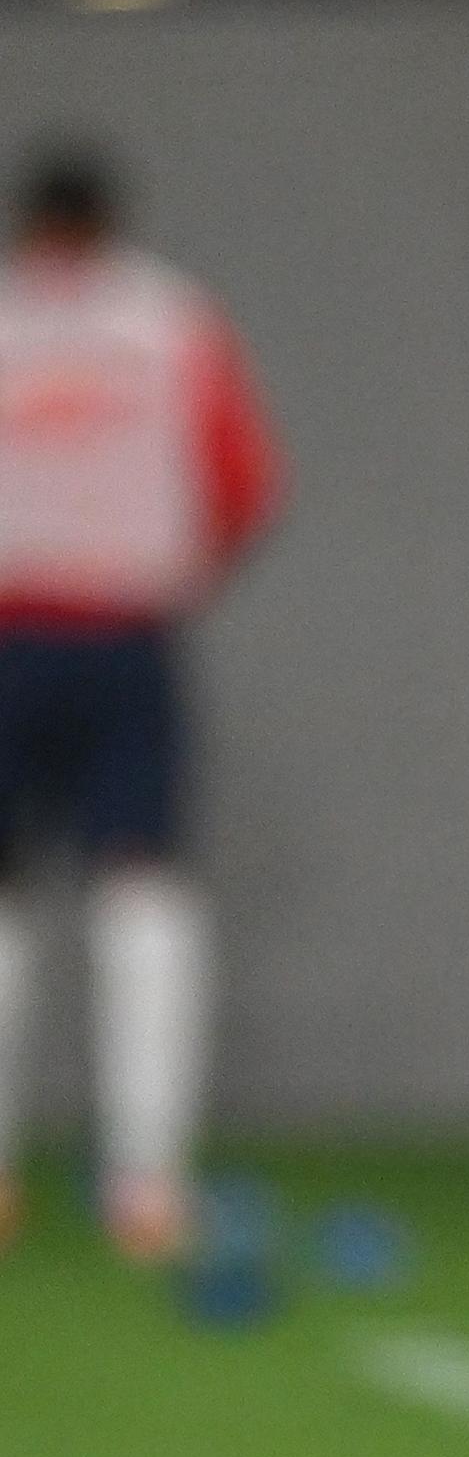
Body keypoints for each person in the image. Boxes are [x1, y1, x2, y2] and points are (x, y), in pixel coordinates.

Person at [0, 144, 284, 1264]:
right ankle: (148, 1185)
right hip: (126, 636)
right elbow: (244, 486)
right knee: (144, 894)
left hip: (9, 633)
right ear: (112, 222)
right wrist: (173, 571)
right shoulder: (172, 321)